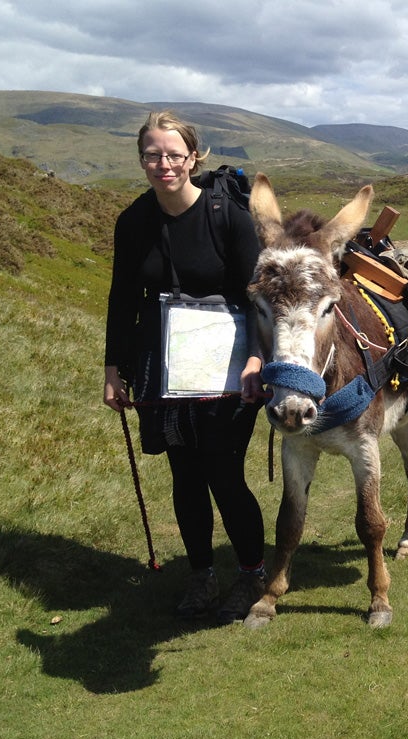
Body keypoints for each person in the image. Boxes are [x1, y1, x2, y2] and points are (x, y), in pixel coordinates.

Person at [103, 111, 266, 624]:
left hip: (231, 367)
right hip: (164, 366)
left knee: (223, 472)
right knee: (185, 476)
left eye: (174, 154)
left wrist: (259, 359)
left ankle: (251, 575)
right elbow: (121, 297)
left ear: (194, 157)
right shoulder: (133, 222)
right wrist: (113, 369)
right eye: (153, 155)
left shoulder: (228, 217)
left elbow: (258, 295)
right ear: (142, 160)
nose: (164, 164)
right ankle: (201, 577)